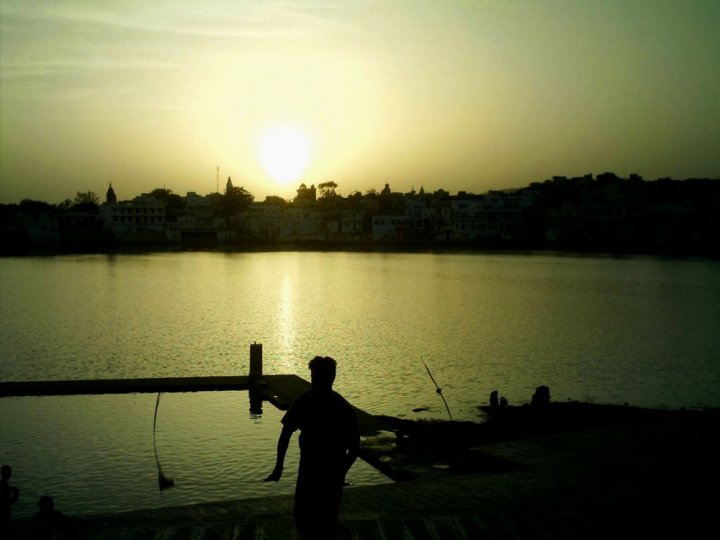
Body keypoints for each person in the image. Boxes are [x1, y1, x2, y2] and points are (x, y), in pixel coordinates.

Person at [265, 356, 360, 540]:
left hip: (312, 475)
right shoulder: (342, 406)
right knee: (325, 524)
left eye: (316, 376)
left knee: (308, 522)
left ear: (328, 377)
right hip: (326, 475)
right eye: (313, 376)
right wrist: (342, 471)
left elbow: (285, 434)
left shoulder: (305, 401)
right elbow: (354, 448)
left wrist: (279, 467)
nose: (314, 380)